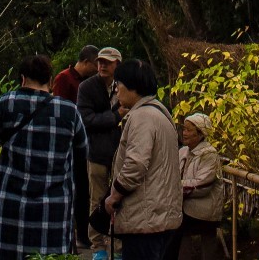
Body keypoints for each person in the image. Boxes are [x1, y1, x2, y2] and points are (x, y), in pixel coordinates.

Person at [0, 55, 89, 260]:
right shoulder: (69, 111)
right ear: (50, 81)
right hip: (54, 212)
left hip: (12, 211)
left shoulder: (7, 103)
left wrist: (2, 136)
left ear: (22, 79)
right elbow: (82, 152)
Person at [104, 60, 180, 260]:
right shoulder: (162, 114)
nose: (117, 92)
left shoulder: (142, 117)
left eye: (118, 85)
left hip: (145, 219)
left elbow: (136, 164)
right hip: (160, 216)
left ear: (132, 87)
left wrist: (115, 195)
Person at [76, 47, 123, 260]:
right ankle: (98, 248)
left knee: (121, 201)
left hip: (121, 153)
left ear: (117, 65)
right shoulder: (87, 87)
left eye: (108, 62)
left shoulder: (124, 85)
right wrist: (115, 116)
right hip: (96, 153)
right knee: (96, 201)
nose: (102, 65)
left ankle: (119, 247)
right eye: (100, 61)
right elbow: (86, 120)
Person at [53, 48, 99, 250]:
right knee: (75, 189)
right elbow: (59, 108)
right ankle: (73, 236)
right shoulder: (64, 78)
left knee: (83, 190)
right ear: (87, 61)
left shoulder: (88, 83)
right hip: (69, 142)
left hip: (83, 141)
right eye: (96, 63)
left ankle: (83, 234)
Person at [175, 114, 225, 260]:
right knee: (179, 232)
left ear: (200, 133)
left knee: (207, 239)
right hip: (184, 206)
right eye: (184, 129)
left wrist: (175, 187)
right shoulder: (183, 151)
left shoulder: (209, 154)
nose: (184, 133)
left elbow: (203, 184)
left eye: (189, 130)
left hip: (205, 208)